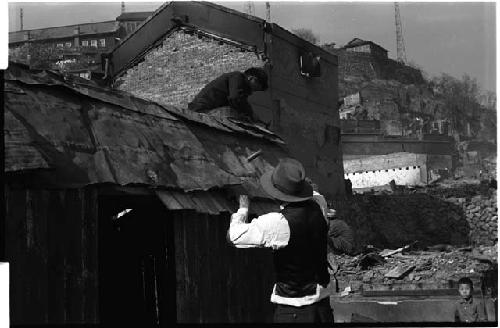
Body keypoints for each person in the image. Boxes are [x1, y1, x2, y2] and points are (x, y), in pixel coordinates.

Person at [227, 158, 333, 323]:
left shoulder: (277, 223)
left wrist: (243, 209)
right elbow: (315, 194)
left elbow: (234, 237)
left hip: (294, 312)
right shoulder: (319, 205)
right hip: (323, 310)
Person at [188, 67, 268, 121]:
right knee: (233, 114)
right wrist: (250, 114)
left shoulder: (241, 86)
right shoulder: (237, 77)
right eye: (257, 86)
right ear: (251, 78)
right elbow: (236, 98)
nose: (254, 91)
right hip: (201, 110)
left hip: (207, 110)